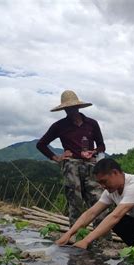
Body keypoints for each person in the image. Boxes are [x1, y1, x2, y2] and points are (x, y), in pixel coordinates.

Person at [56, 158, 134, 265]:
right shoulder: (110, 192)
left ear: (115, 173)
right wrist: (69, 234)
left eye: (104, 181)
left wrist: (86, 241)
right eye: (99, 183)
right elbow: (91, 213)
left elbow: (115, 215)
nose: (102, 186)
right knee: (120, 223)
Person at [37, 90, 107, 227]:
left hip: (91, 164)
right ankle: (77, 236)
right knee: (75, 202)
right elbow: (41, 144)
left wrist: (94, 151)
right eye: (68, 109)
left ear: (78, 107)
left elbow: (101, 145)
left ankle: (102, 237)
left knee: (99, 200)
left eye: (73, 107)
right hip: (71, 165)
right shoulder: (59, 126)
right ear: (64, 109)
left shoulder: (91, 123)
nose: (71, 111)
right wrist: (56, 158)